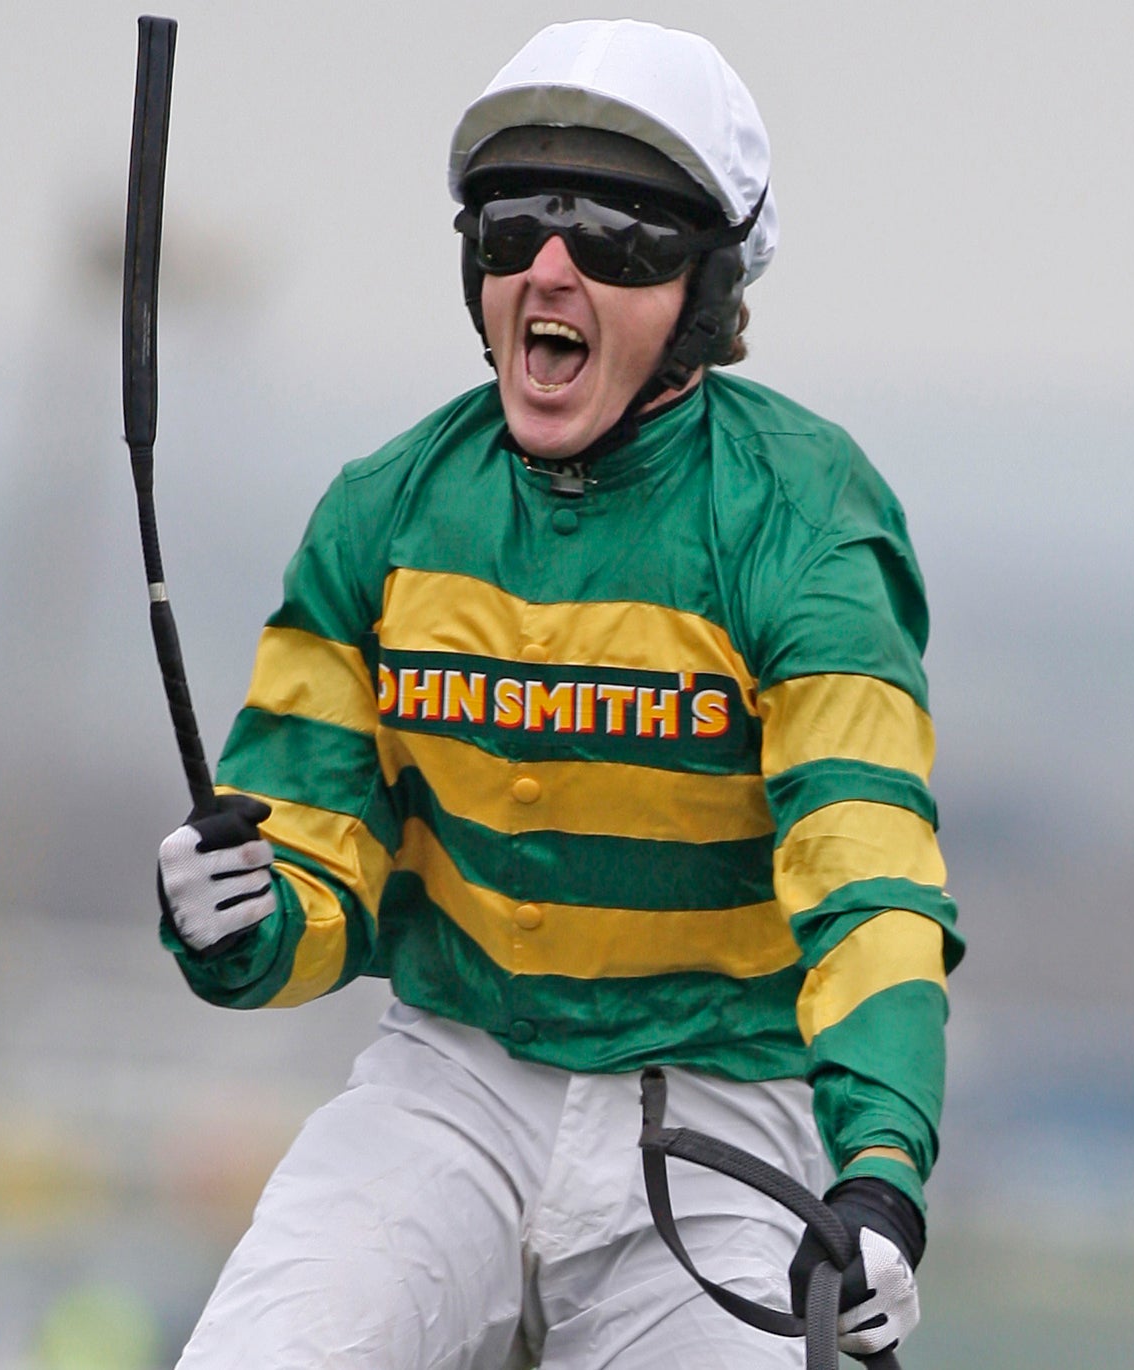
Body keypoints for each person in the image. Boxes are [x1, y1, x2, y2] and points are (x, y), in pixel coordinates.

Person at [154, 19, 961, 1369]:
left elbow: (868, 880)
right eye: (512, 221)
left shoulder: (809, 520)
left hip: (718, 1106)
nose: (550, 266)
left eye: (617, 234)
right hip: (452, 1077)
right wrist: (239, 918)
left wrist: (879, 1176)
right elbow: (320, 865)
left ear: (704, 288)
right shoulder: (383, 512)